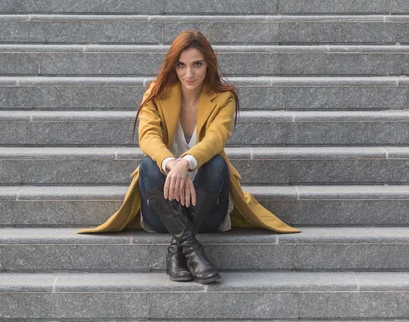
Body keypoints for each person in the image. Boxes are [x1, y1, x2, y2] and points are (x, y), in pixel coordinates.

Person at [78, 30, 299, 284]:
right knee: (149, 165)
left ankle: (178, 248)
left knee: (216, 164)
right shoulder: (156, 93)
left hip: (208, 211)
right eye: (181, 65)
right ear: (173, 66)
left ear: (209, 64)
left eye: (197, 64)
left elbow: (216, 138)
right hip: (161, 212)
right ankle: (191, 249)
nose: (189, 74)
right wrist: (172, 164)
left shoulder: (223, 97)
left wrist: (187, 162)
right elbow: (147, 136)